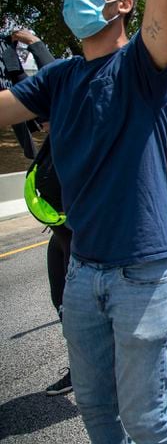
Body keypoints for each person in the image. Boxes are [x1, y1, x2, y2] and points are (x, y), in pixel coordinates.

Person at [0, 0, 167, 440]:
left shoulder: (142, 65)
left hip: (144, 274)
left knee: (148, 419)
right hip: (82, 272)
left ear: (124, 3)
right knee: (94, 406)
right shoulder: (58, 79)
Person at [1, 29, 74, 396]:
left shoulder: (74, 130)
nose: (40, 121)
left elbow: (56, 79)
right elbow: (20, 91)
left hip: (86, 237)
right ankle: (81, 365)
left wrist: (34, 44)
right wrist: (11, 56)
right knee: (61, 299)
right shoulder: (45, 147)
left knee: (93, 308)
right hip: (58, 237)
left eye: (45, 114)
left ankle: (143, 358)